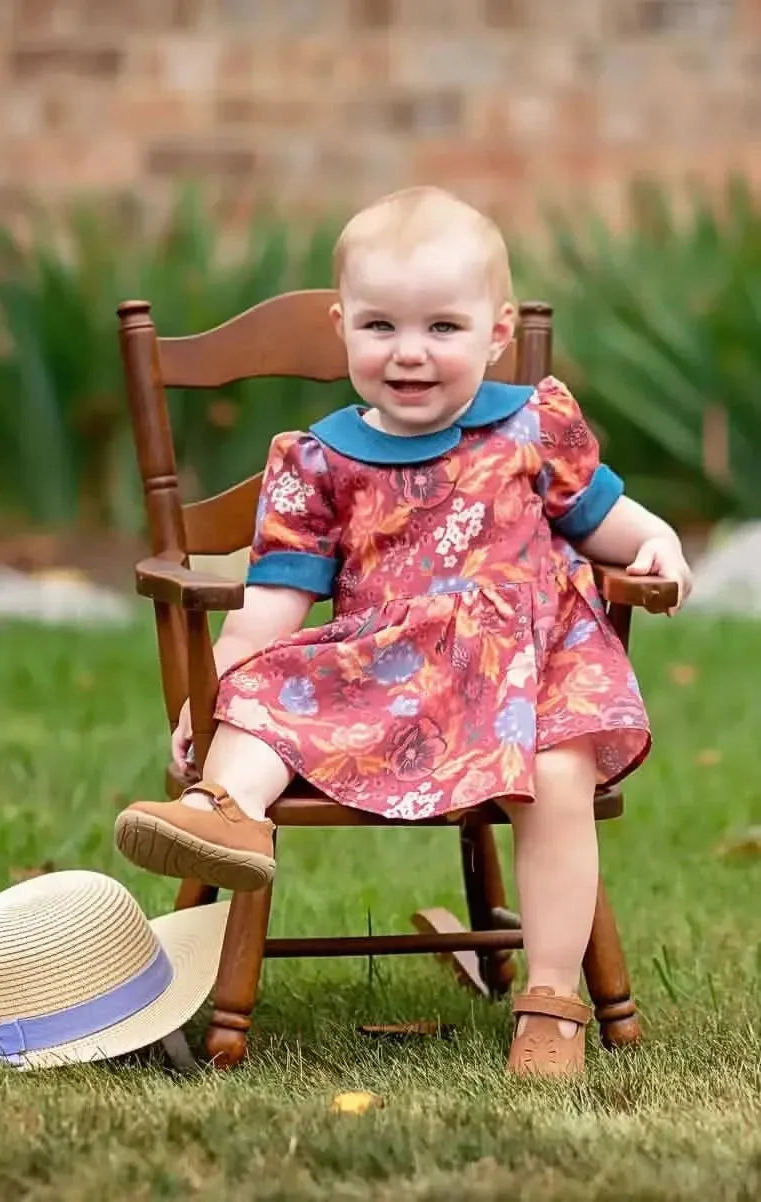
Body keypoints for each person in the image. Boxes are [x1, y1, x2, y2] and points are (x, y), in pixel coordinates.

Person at [114, 186, 692, 1075]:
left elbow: (606, 518)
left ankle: (551, 998)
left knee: (558, 774)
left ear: (497, 332)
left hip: (529, 677)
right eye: (380, 326)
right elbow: (271, 607)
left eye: (442, 328)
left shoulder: (534, 424)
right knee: (264, 693)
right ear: (343, 327)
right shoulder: (317, 460)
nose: (409, 352)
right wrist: (220, 679)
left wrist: (657, 542)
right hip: (389, 672)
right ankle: (223, 814)